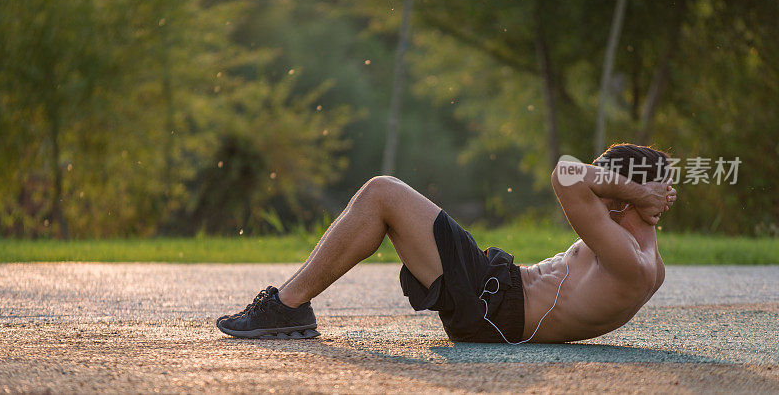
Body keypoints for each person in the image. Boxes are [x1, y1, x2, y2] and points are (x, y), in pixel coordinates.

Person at [216, 143, 677, 343]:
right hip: (494, 294)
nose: (598, 195)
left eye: (608, 189)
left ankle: (286, 306)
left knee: (382, 192)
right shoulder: (638, 259)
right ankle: (289, 305)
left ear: (626, 196)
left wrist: (636, 190)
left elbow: (565, 174)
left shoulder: (631, 262)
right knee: (385, 202)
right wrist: (640, 191)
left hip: (490, 307)